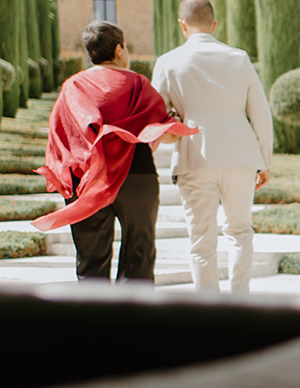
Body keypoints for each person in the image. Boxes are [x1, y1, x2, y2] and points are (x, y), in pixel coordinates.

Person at [34, 20, 192, 280]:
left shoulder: (72, 87)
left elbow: (60, 138)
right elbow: (169, 133)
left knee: (90, 262)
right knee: (138, 258)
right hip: (137, 176)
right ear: (119, 50)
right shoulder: (138, 84)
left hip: (87, 180)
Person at [152, 0, 273, 294]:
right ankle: (240, 304)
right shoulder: (239, 58)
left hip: (195, 157)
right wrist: (264, 161)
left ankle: (209, 312)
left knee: (201, 242)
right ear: (214, 24)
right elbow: (260, 112)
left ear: (183, 25)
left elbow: (155, 119)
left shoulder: (167, 62)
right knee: (241, 232)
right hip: (241, 156)